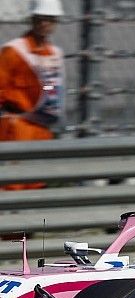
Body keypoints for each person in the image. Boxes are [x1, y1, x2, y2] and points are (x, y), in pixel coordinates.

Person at [0, 0, 65, 190]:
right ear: (33, 19)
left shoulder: (54, 54)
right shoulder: (14, 51)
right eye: (41, 18)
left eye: (50, 19)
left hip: (41, 129)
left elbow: (51, 91)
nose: (45, 23)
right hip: (16, 129)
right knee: (12, 187)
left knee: (35, 186)